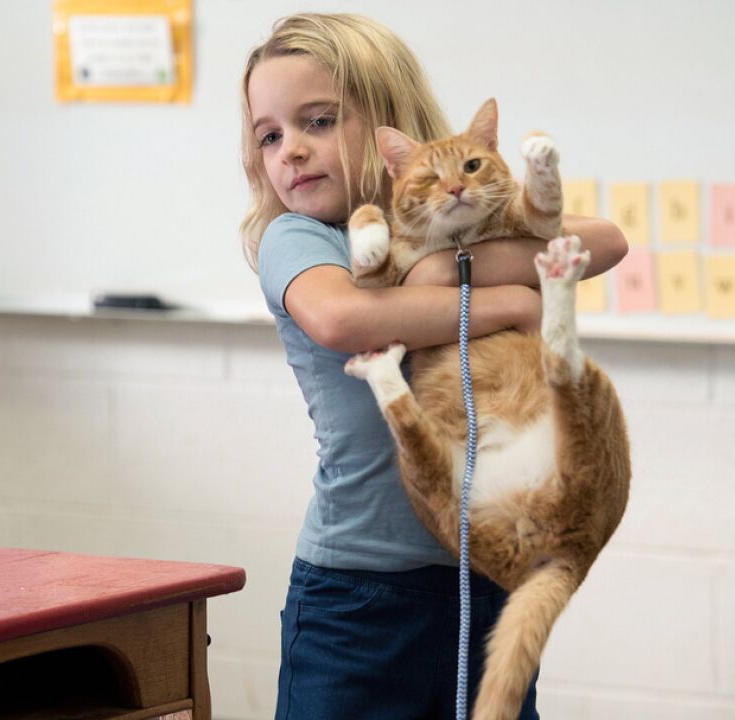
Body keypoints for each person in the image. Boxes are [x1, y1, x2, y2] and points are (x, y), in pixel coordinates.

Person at [240, 13, 627, 720]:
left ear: (390, 130)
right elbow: (343, 319)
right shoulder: (300, 238)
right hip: (358, 595)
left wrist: (449, 267)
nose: (290, 151)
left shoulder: (451, 221)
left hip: (484, 578)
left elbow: (605, 239)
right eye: (269, 136)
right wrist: (509, 302)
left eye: (318, 121)